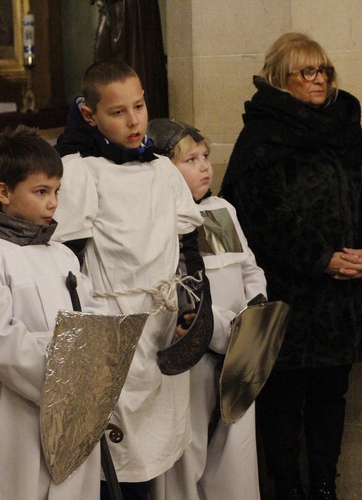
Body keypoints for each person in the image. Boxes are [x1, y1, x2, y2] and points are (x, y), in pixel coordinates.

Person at [220, 32, 362, 500]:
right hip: (291, 293)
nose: (319, 80)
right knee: (283, 398)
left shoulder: (342, 128)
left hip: (342, 298)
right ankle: (288, 489)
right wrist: (321, 258)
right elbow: (258, 215)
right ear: (280, 78)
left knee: (329, 395)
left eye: (324, 71)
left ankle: (323, 487)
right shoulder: (262, 136)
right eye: (307, 72)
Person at [53, 60, 204, 499]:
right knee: (116, 459)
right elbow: (68, 263)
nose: (134, 119)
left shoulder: (161, 170)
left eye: (138, 106)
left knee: (156, 449)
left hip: (162, 325)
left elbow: (189, 247)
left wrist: (193, 306)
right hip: (115, 325)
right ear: (89, 115)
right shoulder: (81, 171)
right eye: (118, 111)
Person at [0, 125, 108, 499]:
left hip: (75, 406)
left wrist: (95, 359)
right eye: (41, 192)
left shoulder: (63, 254)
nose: (53, 203)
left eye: (56, 191)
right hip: (17, 410)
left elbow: (91, 315)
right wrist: (65, 371)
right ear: (3, 192)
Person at [147, 118, 267, 500]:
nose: (204, 167)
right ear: (163, 168)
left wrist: (253, 314)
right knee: (188, 447)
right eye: (190, 160)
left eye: (205, 157)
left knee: (236, 450)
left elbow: (249, 268)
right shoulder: (162, 220)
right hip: (194, 353)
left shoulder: (221, 210)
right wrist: (219, 333)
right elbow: (179, 288)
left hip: (239, 350)